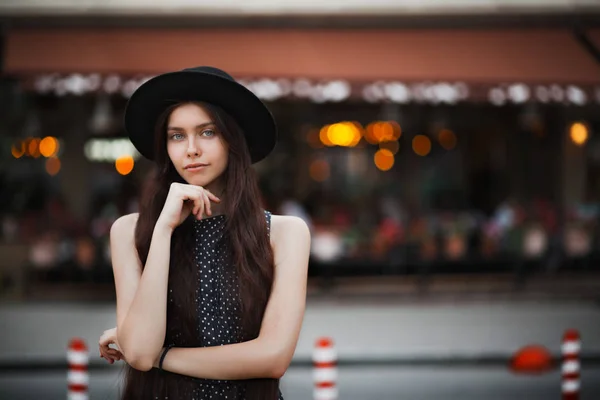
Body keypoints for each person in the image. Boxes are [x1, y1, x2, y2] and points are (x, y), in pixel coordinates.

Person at [97, 66, 311, 400]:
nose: (191, 149)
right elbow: (138, 354)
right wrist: (164, 230)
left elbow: (272, 358)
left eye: (207, 132)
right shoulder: (130, 231)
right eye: (177, 135)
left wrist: (161, 356)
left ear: (232, 139)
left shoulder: (283, 233)